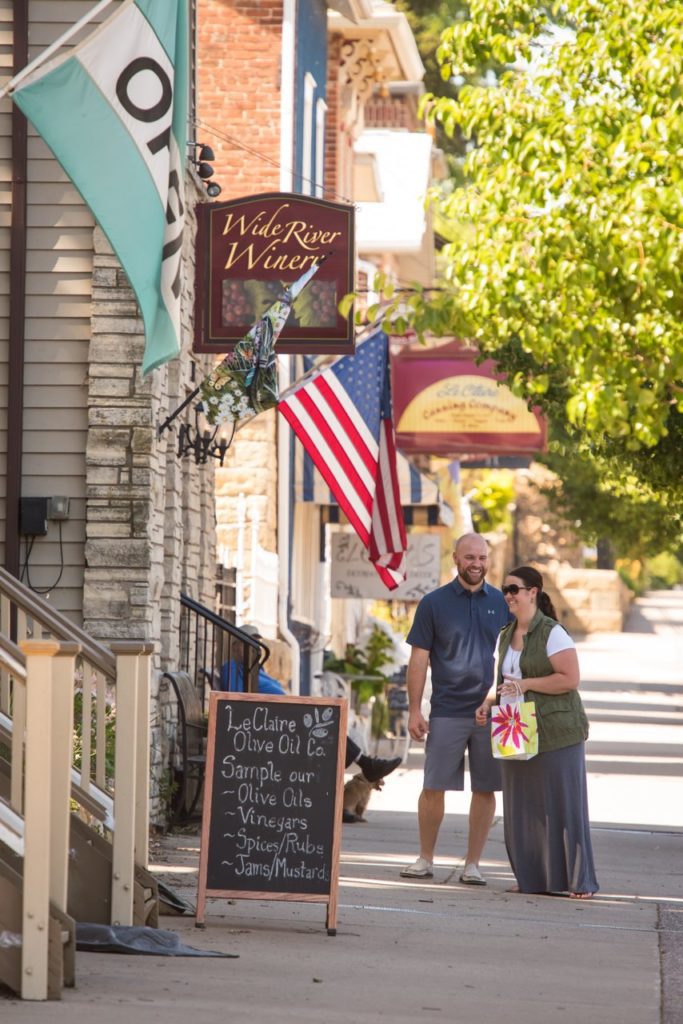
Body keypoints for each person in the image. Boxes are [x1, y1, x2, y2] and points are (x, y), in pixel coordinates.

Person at [475, 566, 598, 898]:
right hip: (514, 727)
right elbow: (502, 683)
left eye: (515, 589)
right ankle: (531, 879)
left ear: (533, 592)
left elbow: (569, 679)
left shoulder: (552, 632)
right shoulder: (505, 634)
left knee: (564, 804)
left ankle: (578, 881)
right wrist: (488, 703)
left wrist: (526, 684)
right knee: (521, 806)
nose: (509, 596)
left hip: (557, 730)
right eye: (505, 590)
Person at [400, 533, 511, 884]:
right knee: (434, 785)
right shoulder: (434, 603)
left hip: (493, 712)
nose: (476, 564)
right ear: (455, 558)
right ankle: (425, 858)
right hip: (447, 709)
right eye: (469, 557)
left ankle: (473, 865)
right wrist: (414, 710)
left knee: (486, 789)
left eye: (482, 557)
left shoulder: (503, 603)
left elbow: (515, 658)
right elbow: (418, 659)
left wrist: (500, 699)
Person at [219, 626, 402, 796]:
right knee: (324, 726)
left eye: (257, 645)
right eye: (249, 645)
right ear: (236, 647)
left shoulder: (257, 669)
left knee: (328, 726)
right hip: (267, 722)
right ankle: (365, 769)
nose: (255, 650)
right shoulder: (232, 668)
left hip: (282, 716)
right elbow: (237, 699)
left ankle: (355, 782)